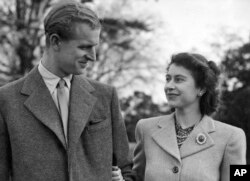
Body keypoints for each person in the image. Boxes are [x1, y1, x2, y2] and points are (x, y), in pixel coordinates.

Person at [0, 1, 134, 181]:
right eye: (85, 47)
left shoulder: (106, 96)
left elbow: (127, 170)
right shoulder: (6, 100)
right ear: (55, 41)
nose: (93, 56)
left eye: (94, 46)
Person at [133, 52, 246, 181]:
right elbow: (135, 177)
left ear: (201, 88)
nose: (169, 86)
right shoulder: (145, 128)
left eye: (179, 79)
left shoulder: (233, 137)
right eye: (168, 78)